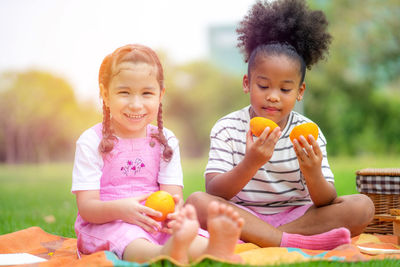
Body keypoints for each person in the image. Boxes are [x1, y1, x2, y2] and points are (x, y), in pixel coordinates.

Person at [186, 0, 374, 250]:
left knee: (362, 206)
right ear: (247, 83)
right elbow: (215, 191)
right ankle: (286, 242)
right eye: (263, 86)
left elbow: (325, 201)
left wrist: (313, 171)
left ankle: (265, 238)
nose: (273, 96)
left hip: (298, 217)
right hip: (243, 215)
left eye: (285, 89)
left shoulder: (308, 132)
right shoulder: (228, 127)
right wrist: (251, 162)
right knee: (197, 202)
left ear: (300, 91)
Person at [71, 44, 244, 264]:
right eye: (124, 92)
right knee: (132, 241)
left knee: (181, 234)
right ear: (105, 94)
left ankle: (212, 248)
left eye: (147, 93)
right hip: (108, 223)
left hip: (155, 220)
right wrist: (121, 210)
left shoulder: (165, 141)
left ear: (160, 94)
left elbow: (172, 198)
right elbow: (87, 208)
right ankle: (163, 254)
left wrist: (174, 216)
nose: (136, 104)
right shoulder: (91, 141)